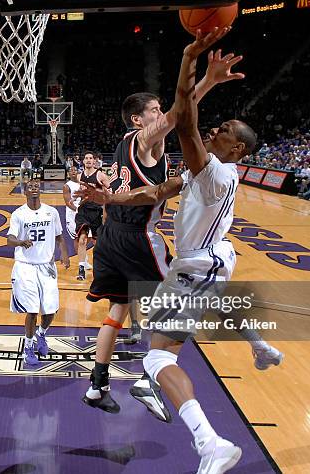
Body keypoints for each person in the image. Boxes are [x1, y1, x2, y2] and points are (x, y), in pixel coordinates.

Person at [80, 28, 283, 473]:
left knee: (157, 352)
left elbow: (183, 117)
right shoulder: (193, 170)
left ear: (238, 149)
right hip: (200, 259)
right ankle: (259, 346)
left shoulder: (213, 170)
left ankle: (209, 443)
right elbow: (153, 191)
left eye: (226, 130)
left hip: (194, 260)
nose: (216, 128)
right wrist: (108, 200)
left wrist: (192, 59)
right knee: (161, 324)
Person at [81, 31, 243, 418]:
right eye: (153, 109)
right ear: (139, 118)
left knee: (117, 310)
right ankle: (148, 381)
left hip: (110, 237)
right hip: (138, 236)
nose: (160, 113)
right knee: (180, 304)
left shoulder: (124, 140)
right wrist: (205, 79)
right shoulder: (146, 138)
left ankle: (96, 385)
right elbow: (180, 115)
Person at [7, 179, 70, 365]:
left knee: (51, 309)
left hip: (47, 265)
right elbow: (10, 239)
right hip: (25, 266)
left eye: (36, 186)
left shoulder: (52, 212)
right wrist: (20, 242)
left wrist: (64, 254)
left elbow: (59, 236)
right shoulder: (18, 214)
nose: (34, 189)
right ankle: (28, 347)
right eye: (30, 187)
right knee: (32, 310)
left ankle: (41, 334)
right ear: (24, 191)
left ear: (40, 190)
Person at [75, 152, 109, 281]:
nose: (88, 160)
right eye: (86, 158)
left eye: (91, 158)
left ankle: (100, 268)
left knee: (97, 243)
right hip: (83, 210)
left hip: (97, 211)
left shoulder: (100, 175)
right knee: (82, 239)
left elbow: (110, 191)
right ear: (83, 161)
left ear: (94, 161)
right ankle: (81, 269)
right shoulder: (79, 176)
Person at [63, 166, 91, 271]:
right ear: (68, 174)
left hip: (83, 212)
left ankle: (82, 255)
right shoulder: (67, 186)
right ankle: (83, 262)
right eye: (71, 171)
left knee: (87, 237)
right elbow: (68, 203)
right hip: (72, 214)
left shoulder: (82, 184)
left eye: (75, 170)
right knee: (77, 238)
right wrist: (78, 210)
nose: (73, 172)